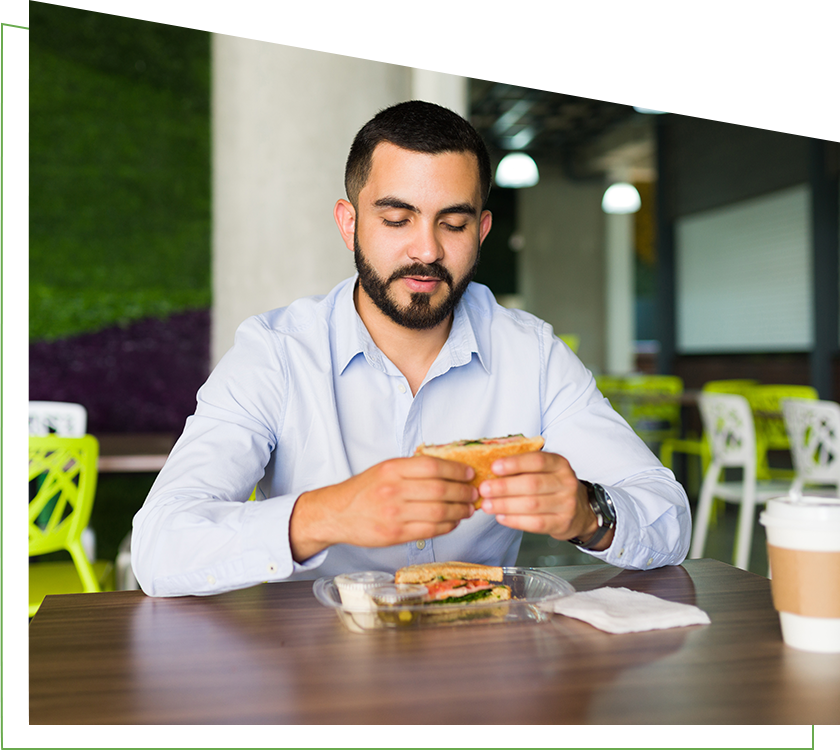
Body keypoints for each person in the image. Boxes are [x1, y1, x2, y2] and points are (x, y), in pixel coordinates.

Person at [131, 100, 690, 597]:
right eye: (397, 219)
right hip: (315, 674)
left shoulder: (532, 354)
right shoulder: (276, 353)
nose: (426, 249)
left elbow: (668, 516)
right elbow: (159, 548)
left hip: (482, 668)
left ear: (482, 232)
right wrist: (326, 515)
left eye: (452, 223)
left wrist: (591, 512)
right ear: (349, 224)